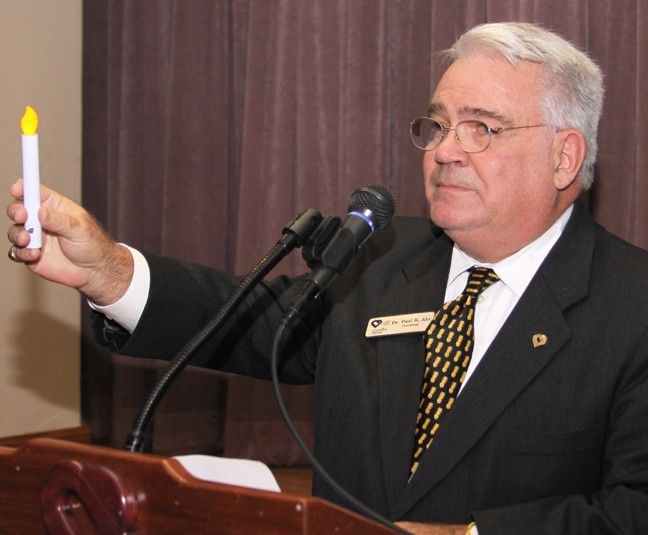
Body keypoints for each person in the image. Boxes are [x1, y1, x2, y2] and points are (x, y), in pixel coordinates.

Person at [6, 21, 648, 534]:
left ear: (565, 157)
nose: (446, 149)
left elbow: (633, 509)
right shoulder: (381, 256)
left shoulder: (633, 306)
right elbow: (247, 321)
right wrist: (108, 270)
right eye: (439, 125)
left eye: (482, 127)